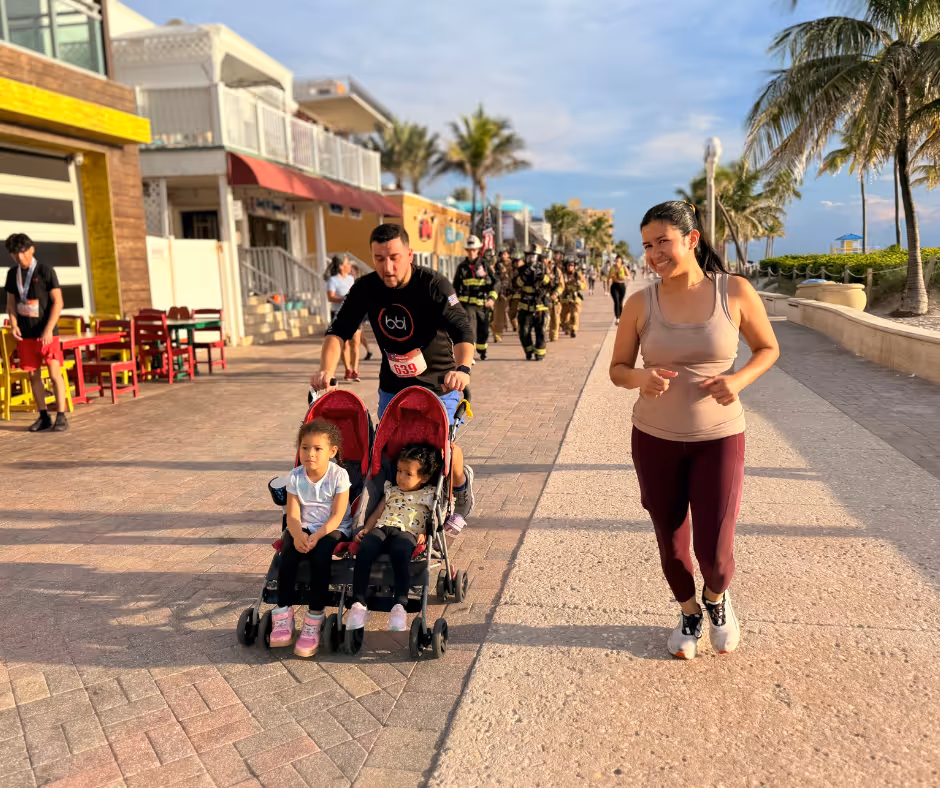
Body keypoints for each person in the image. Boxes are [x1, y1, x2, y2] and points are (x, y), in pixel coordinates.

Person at [609, 200, 779, 660]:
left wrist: (738, 380)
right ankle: (688, 612)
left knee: (716, 552)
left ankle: (717, 599)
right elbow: (618, 369)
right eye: (647, 245)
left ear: (692, 239)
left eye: (663, 241)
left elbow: (767, 348)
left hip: (719, 439)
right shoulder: (640, 303)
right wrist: (640, 378)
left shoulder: (734, 292)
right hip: (654, 439)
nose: (654, 254)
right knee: (671, 543)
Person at [311, 223, 476, 518]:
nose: (387, 267)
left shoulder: (433, 285)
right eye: (379, 258)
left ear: (409, 254)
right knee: (389, 454)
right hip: (394, 389)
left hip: (440, 387)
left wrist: (462, 369)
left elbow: (463, 329)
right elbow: (338, 331)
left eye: (394, 257)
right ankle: (391, 515)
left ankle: (461, 484)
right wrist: (326, 370)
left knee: (439, 453)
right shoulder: (365, 288)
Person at [269, 419, 354, 657]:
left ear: (332, 452)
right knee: (287, 553)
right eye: (305, 448)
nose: (310, 454)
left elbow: (337, 515)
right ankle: (283, 613)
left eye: (317, 448)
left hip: (332, 528)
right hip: (303, 526)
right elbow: (293, 515)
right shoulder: (295, 477)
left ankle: (314, 618)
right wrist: (297, 535)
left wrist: (316, 536)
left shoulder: (339, 475)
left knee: (320, 556)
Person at [347, 442, 440, 632]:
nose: (400, 476)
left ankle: (399, 605)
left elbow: (433, 519)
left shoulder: (428, 494)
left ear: (424, 477)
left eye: (408, 474)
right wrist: (367, 528)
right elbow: (377, 512)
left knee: (400, 552)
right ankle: (359, 604)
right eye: (399, 471)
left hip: (408, 532)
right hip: (383, 527)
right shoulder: (392, 490)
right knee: (365, 549)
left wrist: (425, 534)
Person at [4, 233, 68, 433]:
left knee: (54, 374)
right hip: (26, 334)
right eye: (15, 253)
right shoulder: (12, 274)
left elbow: (58, 302)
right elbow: (11, 304)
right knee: (33, 376)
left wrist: (48, 329)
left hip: (47, 333)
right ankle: (43, 416)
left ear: (31, 249)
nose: (19, 256)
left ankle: (61, 415)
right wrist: (14, 324)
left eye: (23, 251)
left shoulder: (46, 271)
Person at [453, 237, 498, 361]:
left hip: (483, 304)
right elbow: (454, 287)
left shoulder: (485, 265)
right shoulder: (462, 267)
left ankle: (482, 350)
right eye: (469, 250)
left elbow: (495, 283)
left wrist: (492, 298)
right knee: (470, 330)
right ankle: (470, 355)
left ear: (478, 250)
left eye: (473, 250)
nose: (471, 252)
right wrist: (453, 304)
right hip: (467, 305)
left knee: (483, 330)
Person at [326, 255, 362, 383]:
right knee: (344, 344)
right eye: (347, 263)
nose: (349, 266)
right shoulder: (332, 280)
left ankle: (355, 370)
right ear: (341, 266)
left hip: (354, 313)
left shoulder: (351, 278)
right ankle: (348, 370)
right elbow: (330, 297)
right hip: (338, 314)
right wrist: (345, 299)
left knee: (355, 342)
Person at [515, 247, 551, 361]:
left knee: (541, 331)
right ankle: (529, 350)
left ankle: (540, 352)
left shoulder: (544, 269)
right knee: (524, 332)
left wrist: (543, 276)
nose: (531, 259)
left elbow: (551, 283)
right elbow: (516, 284)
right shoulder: (522, 270)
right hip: (525, 306)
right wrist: (524, 275)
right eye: (529, 256)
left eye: (533, 256)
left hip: (540, 306)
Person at [490, 248, 515, 343]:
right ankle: (497, 333)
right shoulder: (496, 265)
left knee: (512, 311)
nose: (504, 256)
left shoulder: (513, 264)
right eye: (502, 254)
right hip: (499, 292)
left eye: (505, 253)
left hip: (511, 291)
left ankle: (515, 325)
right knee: (497, 314)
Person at [560, 259, 587, 338]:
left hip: (575, 299)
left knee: (575, 315)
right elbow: (560, 285)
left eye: (572, 265)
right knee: (564, 318)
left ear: (574, 267)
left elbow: (584, 286)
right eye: (568, 265)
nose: (570, 267)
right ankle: (567, 328)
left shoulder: (578, 275)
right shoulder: (563, 275)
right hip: (565, 299)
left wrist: (579, 283)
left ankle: (573, 330)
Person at [545, 251, 565, 342]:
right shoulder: (540, 270)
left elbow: (561, 285)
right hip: (543, 298)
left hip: (554, 298)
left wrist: (556, 293)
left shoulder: (557, 271)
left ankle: (554, 335)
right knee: (545, 319)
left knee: (556, 318)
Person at [608, 255, 630, 324]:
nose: (617, 261)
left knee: (620, 303)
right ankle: (617, 318)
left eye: (619, 260)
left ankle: (621, 317)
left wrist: (625, 277)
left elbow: (629, 276)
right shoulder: (612, 267)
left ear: (621, 261)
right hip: (614, 286)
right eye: (617, 260)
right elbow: (608, 276)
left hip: (622, 286)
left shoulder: (624, 267)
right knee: (616, 302)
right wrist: (612, 276)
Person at [507, 249, 525, 331]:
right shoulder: (511, 272)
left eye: (519, 261)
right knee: (511, 313)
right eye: (516, 261)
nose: (517, 263)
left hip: (524, 297)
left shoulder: (526, 271)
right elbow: (508, 283)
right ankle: (515, 325)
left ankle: (522, 328)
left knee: (523, 314)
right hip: (514, 297)